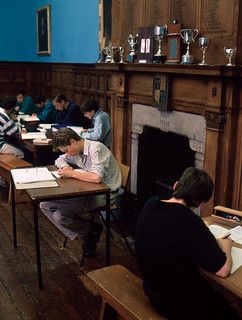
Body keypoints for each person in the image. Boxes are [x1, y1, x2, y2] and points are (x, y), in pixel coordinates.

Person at [135, 167, 241, 320]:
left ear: (176, 185)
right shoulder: (189, 222)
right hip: (175, 302)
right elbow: (223, 271)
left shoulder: (151, 203)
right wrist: (227, 247)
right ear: (199, 202)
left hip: (152, 287)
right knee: (231, 313)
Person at [39, 128, 121, 256]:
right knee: (44, 204)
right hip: (88, 191)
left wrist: (71, 173)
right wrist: (65, 166)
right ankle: (88, 232)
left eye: (66, 150)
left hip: (104, 194)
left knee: (60, 216)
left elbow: (96, 177)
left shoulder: (96, 149)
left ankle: (89, 233)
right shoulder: (77, 150)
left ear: (73, 141)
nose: (68, 154)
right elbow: (59, 160)